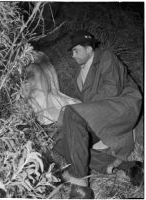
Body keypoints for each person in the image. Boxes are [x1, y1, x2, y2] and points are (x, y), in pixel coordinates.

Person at [53, 31, 143, 198]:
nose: (73, 56)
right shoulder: (79, 74)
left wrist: (76, 110)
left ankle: (80, 185)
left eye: (76, 50)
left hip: (122, 107)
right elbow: (83, 103)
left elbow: (112, 90)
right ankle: (124, 166)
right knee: (61, 143)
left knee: (72, 114)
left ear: (88, 49)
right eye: (72, 52)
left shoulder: (106, 57)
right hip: (101, 114)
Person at [22, 52, 80, 125]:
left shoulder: (53, 97)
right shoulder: (37, 103)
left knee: (74, 105)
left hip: (45, 95)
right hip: (38, 97)